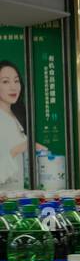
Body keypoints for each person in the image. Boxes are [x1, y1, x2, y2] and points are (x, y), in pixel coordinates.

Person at [0, 60, 29, 193]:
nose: (13, 87)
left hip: (19, 193)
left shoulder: (16, 115)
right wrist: (18, 149)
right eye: (5, 82)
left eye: (16, 81)